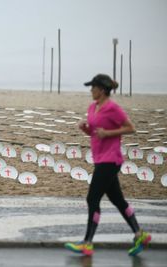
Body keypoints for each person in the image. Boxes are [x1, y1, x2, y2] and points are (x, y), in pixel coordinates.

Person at [64, 74, 151, 256]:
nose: (91, 90)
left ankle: (87, 243)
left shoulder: (113, 108)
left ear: (102, 90)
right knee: (118, 200)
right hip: (99, 158)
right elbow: (95, 133)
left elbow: (131, 128)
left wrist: (110, 133)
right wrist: (85, 128)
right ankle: (139, 234)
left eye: (93, 87)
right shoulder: (92, 107)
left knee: (92, 199)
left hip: (111, 160)